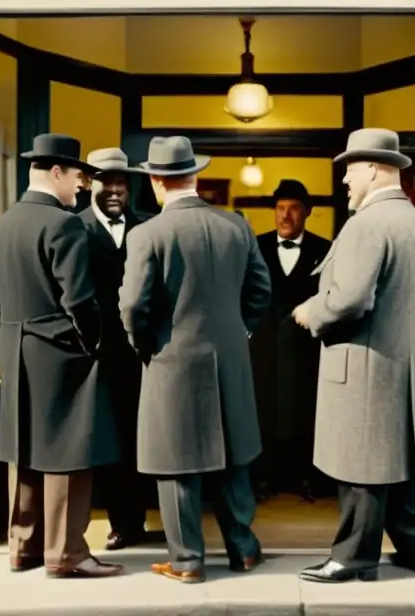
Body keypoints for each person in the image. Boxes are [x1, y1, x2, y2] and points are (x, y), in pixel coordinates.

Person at [292, 127, 415, 584]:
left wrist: (310, 311)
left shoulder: (365, 223)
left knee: (360, 464)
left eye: (350, 171)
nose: (344, 181)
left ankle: (353, 559)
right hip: (409, 365)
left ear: (376, 169)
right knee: (406, 462)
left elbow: (349, 300)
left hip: (364, 363)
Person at [119, 135, 272, 583]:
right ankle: (243, 549)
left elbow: (133, 306)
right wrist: (239, 331)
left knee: (177, 463)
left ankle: (187, 561)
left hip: (171, 360)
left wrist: (145, 345)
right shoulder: (236, 226)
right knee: (233, 456)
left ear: (154, 180)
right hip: (230, 358)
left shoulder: (146, 233)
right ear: (195, 175)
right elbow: (260, 290)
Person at [0, 133, 123, 579]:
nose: (81, 186)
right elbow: (79, 299)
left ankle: (23, 547)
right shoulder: (64, 224)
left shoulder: (1, 224)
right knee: (68, 451)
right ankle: (66, 553)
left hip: (17, 350)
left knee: (23, 447)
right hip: (61, 350)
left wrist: (8, 335)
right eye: (78, 176)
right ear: (56, 172)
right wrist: (90, 342)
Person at [77, 147, 155, 551]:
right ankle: (115, 521)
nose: (113, 189)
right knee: (105, 440)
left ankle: (135, 519)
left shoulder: (148, 227)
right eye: (104, 180)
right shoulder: (75, 228)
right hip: (95, 353)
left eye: (120, 182)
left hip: (142, 354)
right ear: (90, 183)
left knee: (139, 438)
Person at [249, 179, 332, 502]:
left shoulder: (324, 250)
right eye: (281, 208)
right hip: (264, 346)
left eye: (294, 208)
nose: (286, 216)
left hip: (306, 347)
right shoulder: (255, 247)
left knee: (305, 410)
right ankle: (263, 481)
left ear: (307, 212)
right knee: (264, 410)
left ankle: (307, 479)